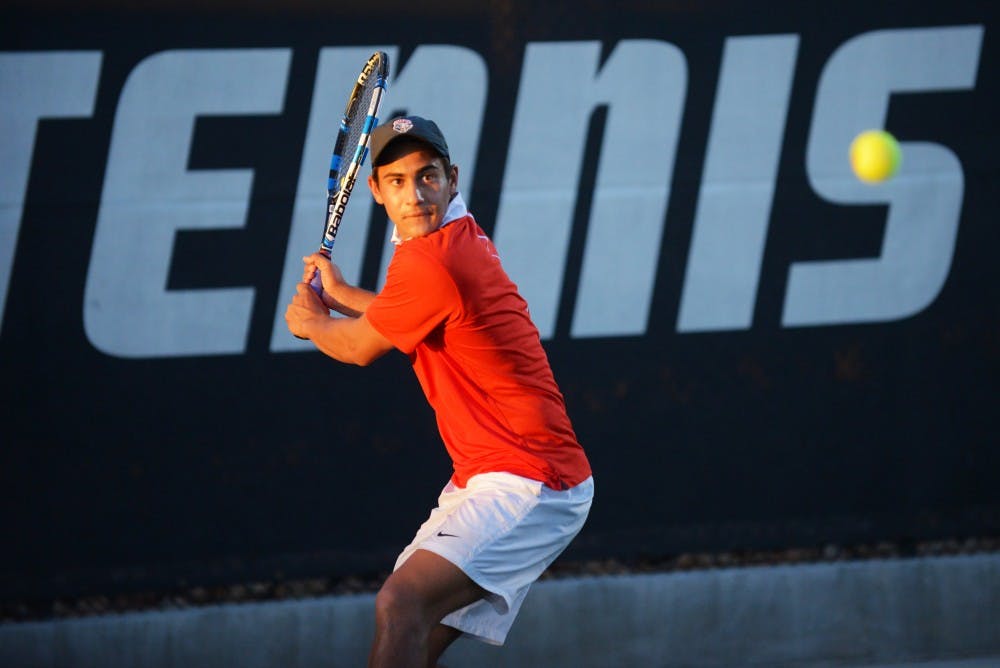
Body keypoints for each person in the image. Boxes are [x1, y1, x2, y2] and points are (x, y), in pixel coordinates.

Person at [285, 115, 593, 668]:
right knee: (412, 636)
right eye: (398, 182)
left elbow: (357, 348)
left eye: (428, 177)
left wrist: (311, 321)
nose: (416, 195)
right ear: (376, 191)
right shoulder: (451, 234)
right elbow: (412, 311)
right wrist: (343, 292)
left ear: (452, 178)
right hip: (486, 473)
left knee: (400, 605)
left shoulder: (437, 258)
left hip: (533, 480)